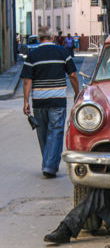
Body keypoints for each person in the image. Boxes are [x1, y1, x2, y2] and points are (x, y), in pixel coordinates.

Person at [21, 26, 80, 179]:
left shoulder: (32, 55)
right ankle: (49, 166)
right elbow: (73, 75)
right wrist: (77, 93)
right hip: (57, 101)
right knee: (55, 132)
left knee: (43, 134)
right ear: (52, 37)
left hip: (39, 102)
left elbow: (27, 81)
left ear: (39, 38)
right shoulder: (62, 52)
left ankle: (49, 164)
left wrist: (26, 101)